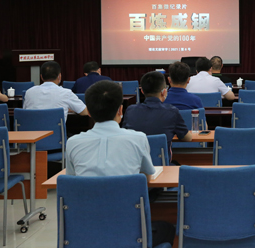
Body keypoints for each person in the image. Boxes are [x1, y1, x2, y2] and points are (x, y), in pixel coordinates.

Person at [66, 80, 175, 247]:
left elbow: (73, 182)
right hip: (130, 232)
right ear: (120, 110)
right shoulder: (138, 138)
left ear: (89, 112)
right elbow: (145, 179)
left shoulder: (73, 143)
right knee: (167, 227)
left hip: (86, 232)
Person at [123, 71, 193, 162]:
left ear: (142, 91)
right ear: (164, 92)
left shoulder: (130, 111)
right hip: (162, 165)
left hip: (135, 165)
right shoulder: (171, 111)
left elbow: (124, 135)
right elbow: (187, 138)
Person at [23, 61, 89, 121]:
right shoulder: (66, 93)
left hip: (31, 130)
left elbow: (25, 112)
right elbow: (85, 112)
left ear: (41, 77)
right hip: (55, 130)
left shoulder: (29, 92)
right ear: (59, 76)